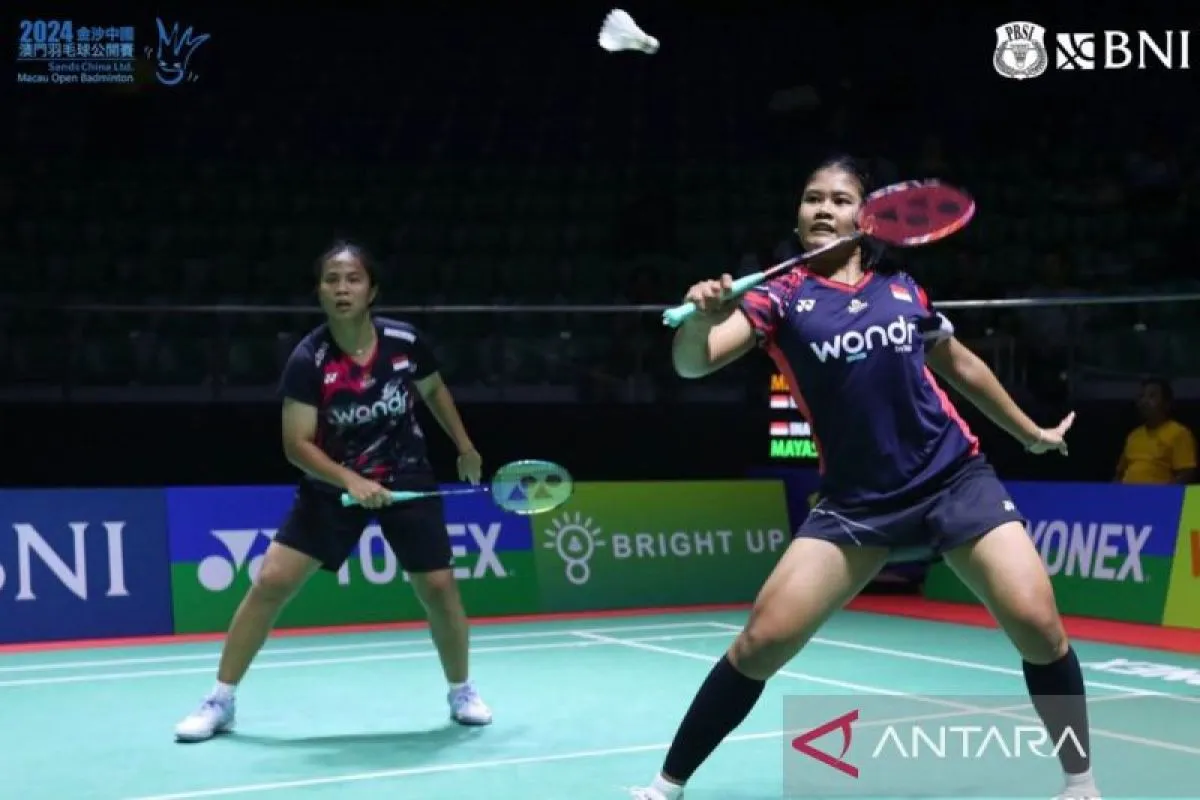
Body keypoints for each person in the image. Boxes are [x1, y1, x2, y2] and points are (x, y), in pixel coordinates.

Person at [628, 157, 1098, 799]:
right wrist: (702, 316)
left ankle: (1080, 782)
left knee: (1039, 627)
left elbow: (961, 365)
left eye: (840, 199)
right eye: (811, 198)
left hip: (953, 477)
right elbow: (695, 362)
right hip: (858, 501)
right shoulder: (778, 296)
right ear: (797, 217)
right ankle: (666, 785)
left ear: (865, 217)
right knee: (762, 642)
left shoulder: (901, 287)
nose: (823, 209)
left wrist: (1030, 433)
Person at [174, 242, 493, 742]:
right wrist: (351, 481)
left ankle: (461, 691)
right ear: (320, 292)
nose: (342, 289)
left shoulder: (405, 341)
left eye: (353, 279)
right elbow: (296, 445)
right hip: (333, 482)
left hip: (406, 474)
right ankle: (220, 699)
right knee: (272, 581)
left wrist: (465, 446)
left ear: (372, 291)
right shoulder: (309, 359)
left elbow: (433, 389)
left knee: (438, 587)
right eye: (332, 280)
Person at [1115, 376, 1196, 484]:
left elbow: (1186, 473)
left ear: (1166, 403)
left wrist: (1165, 493)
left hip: (1158, 493)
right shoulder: (1134, 435)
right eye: (1142, 396)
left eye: (1151, 396)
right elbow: (1120, 473)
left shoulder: (1179, 432)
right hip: (1127, 492)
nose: (1144, 401)